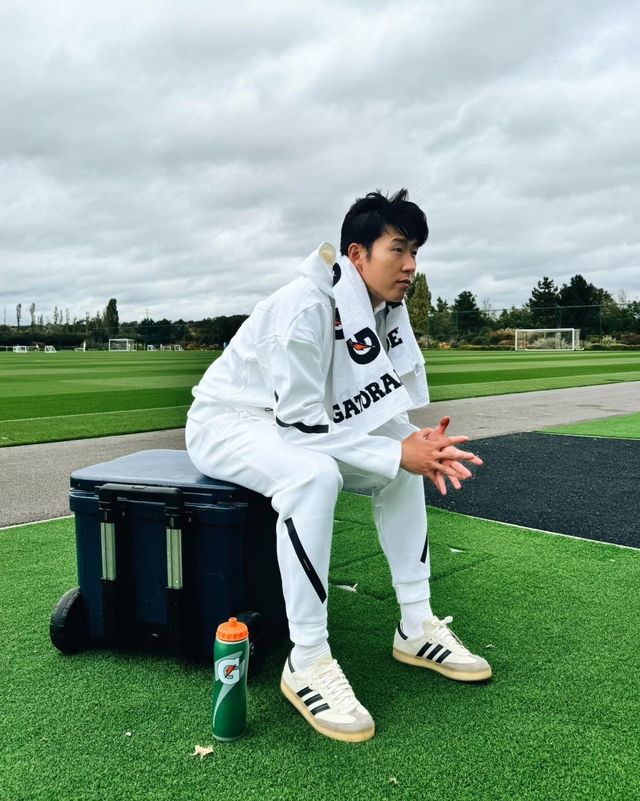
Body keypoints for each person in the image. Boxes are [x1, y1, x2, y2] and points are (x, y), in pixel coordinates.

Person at [186, 189, 491, 743]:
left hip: (292, 422)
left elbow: (364, 411)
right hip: (229, 421)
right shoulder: (306, 306)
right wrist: (397, 449)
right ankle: (307, 659)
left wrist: (413, 443)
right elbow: (299, 427)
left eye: (415, 252)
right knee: (314, 476)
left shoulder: (379, 309)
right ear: (357, 254)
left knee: (405, 464)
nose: (411, 266)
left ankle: (416, 625)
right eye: (398, 249)